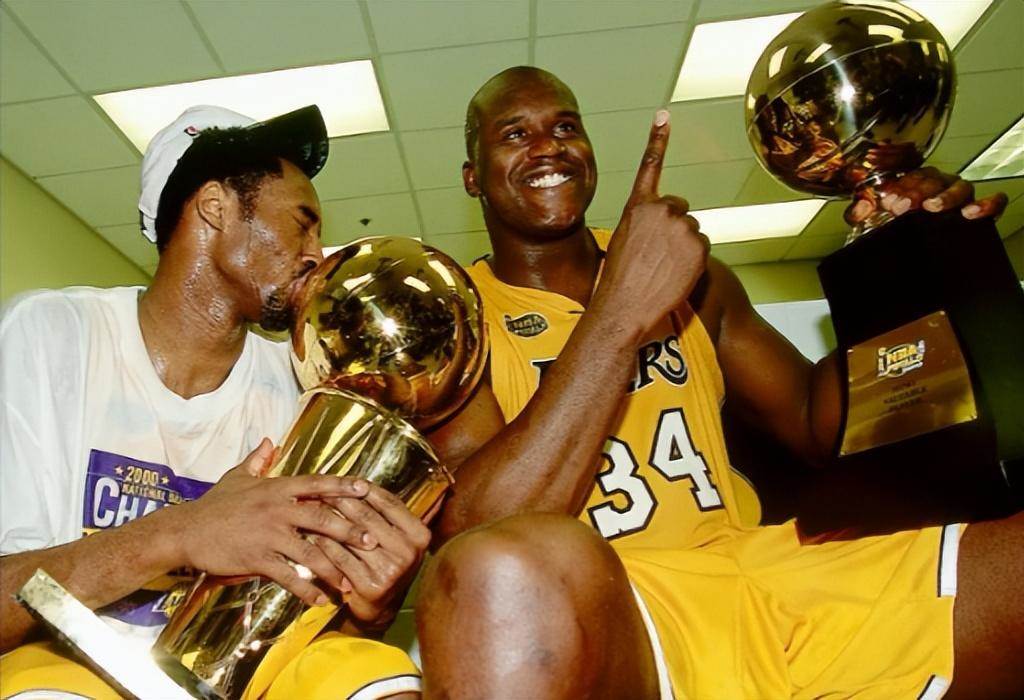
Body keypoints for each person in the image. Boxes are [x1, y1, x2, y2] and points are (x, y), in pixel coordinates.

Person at [416, 67, 1023, 699]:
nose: (548, 146)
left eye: (566, 128)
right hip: (622, 609)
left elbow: (815, 423)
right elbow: (477, 532)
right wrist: (619, 312)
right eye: (515, 134)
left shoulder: (694, 278)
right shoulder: (455, 323)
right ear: (472, 176)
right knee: (495, 574)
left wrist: (912, 261)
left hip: (760, 570)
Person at [0, 105, 427, 700]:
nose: (317, 253)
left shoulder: (300, 384)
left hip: (235, 678)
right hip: (68, 661)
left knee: (371, 676)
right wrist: (181, 532)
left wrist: (372, 604)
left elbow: (308, 625)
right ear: (215, 207)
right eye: (302, 223)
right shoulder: (53, 333)